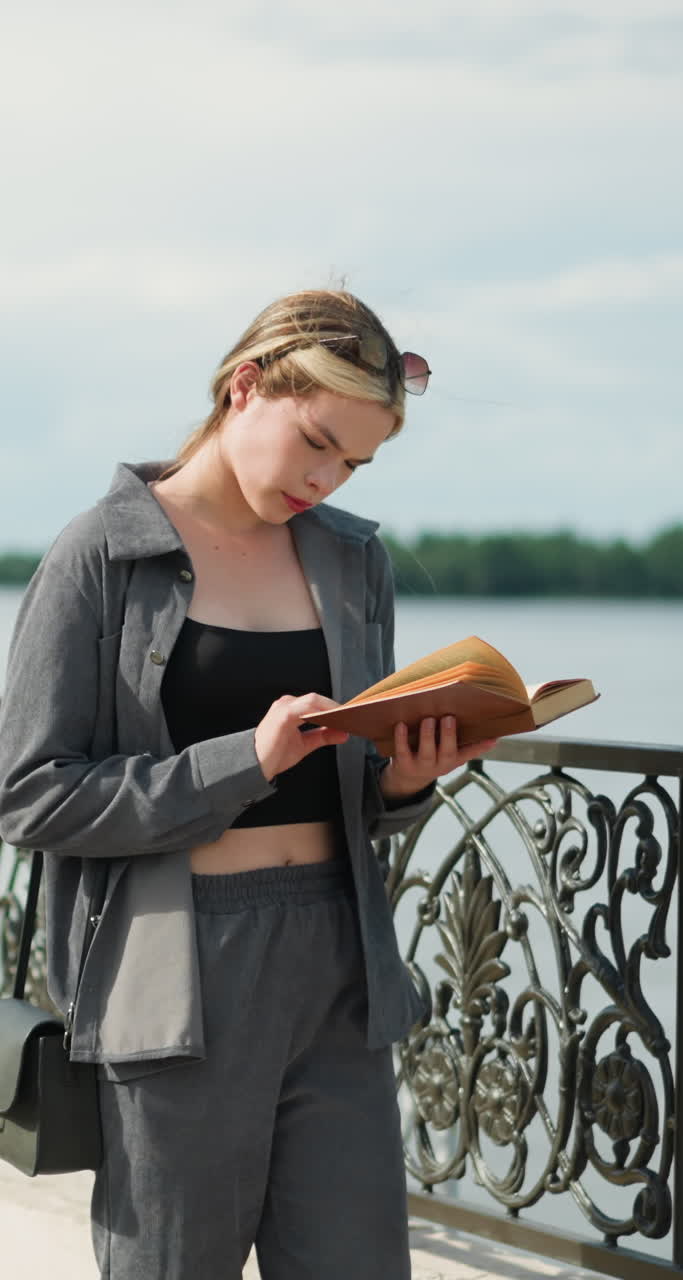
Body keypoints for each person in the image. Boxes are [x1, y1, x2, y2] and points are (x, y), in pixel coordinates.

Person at [0, 289, 494, 1280]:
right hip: (175, 971)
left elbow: (350, 786)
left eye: (353, 461)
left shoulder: (354, 558)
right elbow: (30, 792)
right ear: (244, 386)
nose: (327, 476)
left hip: (339, 961)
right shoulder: (102, 555)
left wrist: (402, 783)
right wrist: (242, 758)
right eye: (317, 442)